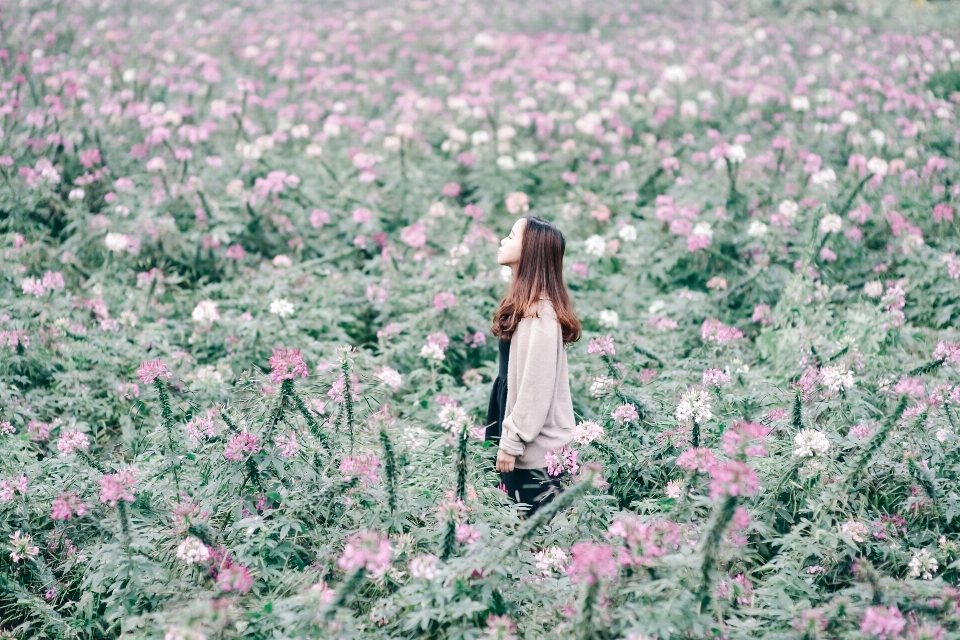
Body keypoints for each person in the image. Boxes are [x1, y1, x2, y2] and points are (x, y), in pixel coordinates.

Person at [486, 215, 581, 515]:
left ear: (531, 251)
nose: (503, 240)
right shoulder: (527, 307)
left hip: (534, 455)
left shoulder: (540, 317)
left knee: (532, 543)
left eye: (512, 236)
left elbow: (535, 391)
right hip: (519, 441)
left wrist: (511, 442)